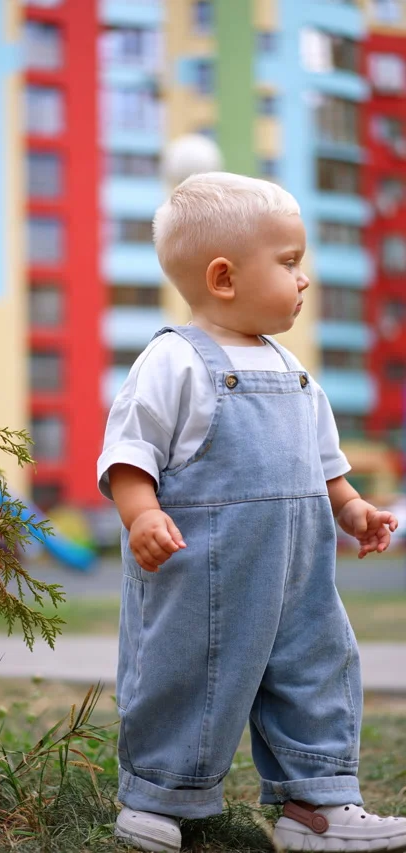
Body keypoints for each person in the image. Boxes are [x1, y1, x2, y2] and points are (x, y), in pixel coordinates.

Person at [97, 173, 405, 853]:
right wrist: (142, 513)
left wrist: (353, 509)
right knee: (186, 672)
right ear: (225, 277)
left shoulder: (294, 371)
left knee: (316, 668)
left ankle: (316, 803)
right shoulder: (173, 360)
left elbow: (325, 464)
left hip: (299, 575)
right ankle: (158, 794)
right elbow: (130, 451)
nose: (304, 279)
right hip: (203, 572)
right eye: (290, 262)